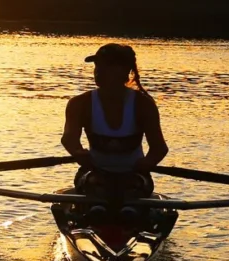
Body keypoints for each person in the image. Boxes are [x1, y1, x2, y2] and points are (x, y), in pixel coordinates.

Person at [61, 43, 168, 213]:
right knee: (96, 186)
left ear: (124, 70)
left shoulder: (143, 104)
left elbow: (159, 148)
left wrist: (147, 163)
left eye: (106, 66)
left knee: (131, 189)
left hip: (133, 176)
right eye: (97, 66)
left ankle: (127, 214)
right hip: (96, 173)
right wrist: (77, 152)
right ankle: (98, 212)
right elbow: (69, 139)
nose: (98, 71)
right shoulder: (79, 104)